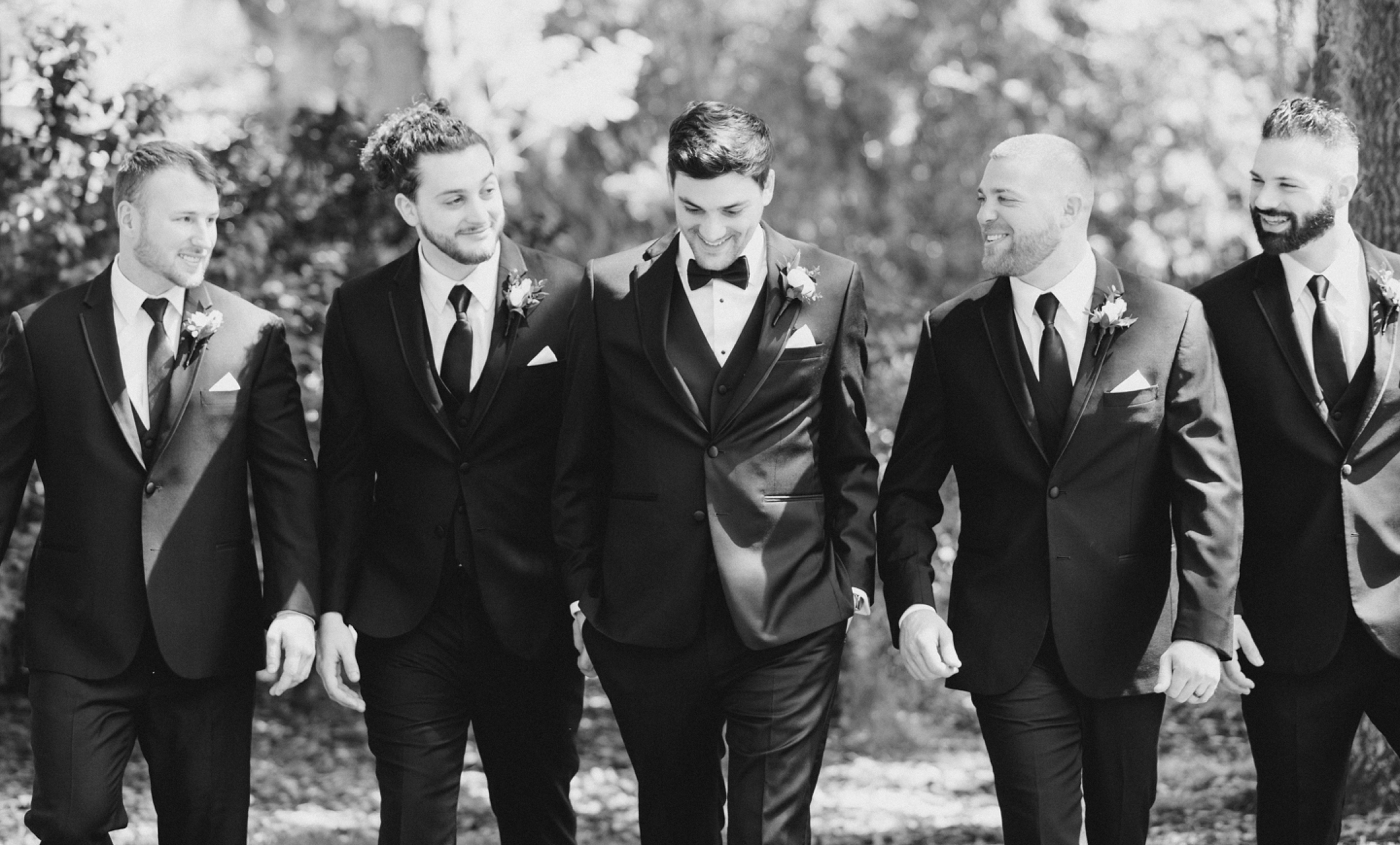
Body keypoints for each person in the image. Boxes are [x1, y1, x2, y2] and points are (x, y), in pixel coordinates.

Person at [877, 134, 1242, 845]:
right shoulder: (952, 331)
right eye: (982, 197)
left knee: (1122, 828)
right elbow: (907, 493)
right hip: (1005, 639)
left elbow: (1209, 489)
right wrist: (914, 606)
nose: (984, 214)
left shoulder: (1169, 318)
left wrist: (1204, 633)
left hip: (1128, 636)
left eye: (1005, 199)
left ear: (1072, 208)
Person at [553, 100, 878, 845]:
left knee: (771, 830)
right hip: (645, 611)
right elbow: (580, 454)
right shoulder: (608, 288)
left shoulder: (831, 283)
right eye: (690, 208)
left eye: (731, 209)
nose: (710, 230)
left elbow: (849, 446)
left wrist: (851, 575)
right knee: (675, 821)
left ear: (768, 188)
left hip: (792, 601)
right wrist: (582, 593)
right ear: (670, 189)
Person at [0, 141, 320, 844]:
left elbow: (288, 485)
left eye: (211, 219)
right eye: (184, 219)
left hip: (208, 636)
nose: (204, 236)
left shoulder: (252, 335)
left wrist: (295, 606)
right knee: (69, 822)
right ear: (128, 218)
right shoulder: (41, 332)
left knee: (207, 832)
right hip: (79, 635)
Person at [316, 101, 585, 845]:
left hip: (530, 610)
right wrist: (332, 609)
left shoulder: (571, 295)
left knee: (539, 820)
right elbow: (344, 473)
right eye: (455, 198)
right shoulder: (361, 310)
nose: (481, 212)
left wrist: (588, 596)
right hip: (405, 614)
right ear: (408, 208)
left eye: (488, 189)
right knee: (412, 823)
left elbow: (587, 461)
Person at [1194, 97, 1400, 845]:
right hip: (1282, 628)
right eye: (1258, 180)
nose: (1265, 200)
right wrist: (1216, 608)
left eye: (1287, 185)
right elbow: (1199, 474)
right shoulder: (1213, 311)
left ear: (1344, 188)